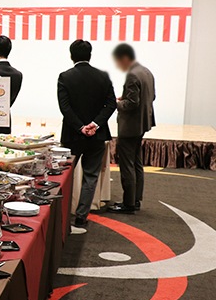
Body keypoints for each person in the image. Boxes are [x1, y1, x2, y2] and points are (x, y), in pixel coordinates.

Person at [57, 39, 117, 228]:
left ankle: (61, 216)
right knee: (90, 177)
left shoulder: (65, 77)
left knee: (64, 177)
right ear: (90, 55)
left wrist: (80, 127)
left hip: (72, 136)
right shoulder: (103, 77)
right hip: (97, 136)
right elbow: (111, 104)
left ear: (71, 55)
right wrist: (95, 124)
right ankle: (81, 216)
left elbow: (65, 108)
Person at [108, 43, 156, 214]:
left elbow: (131, 103)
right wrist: (126, 98)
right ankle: (135, 199)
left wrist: (115, 103)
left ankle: (128, 203)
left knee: (127, 165)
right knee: (137, 163)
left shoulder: (132, 75)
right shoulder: (146, 72)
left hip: (130, 126)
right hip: (142, 124)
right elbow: (151, 96)